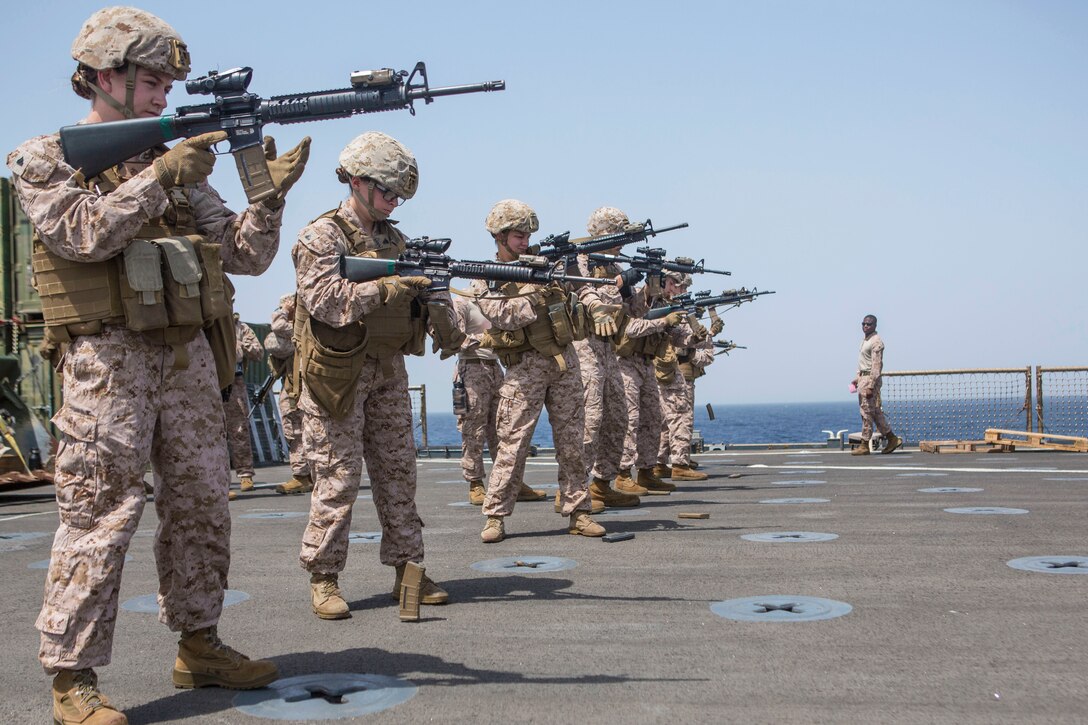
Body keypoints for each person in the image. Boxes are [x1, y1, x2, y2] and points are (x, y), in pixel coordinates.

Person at [6, 7, 309, 723]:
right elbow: (81, 233)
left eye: (168, 84)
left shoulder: (171, 162)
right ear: (104, 75)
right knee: (99, 509)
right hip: (107, 365)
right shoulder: (45, 156)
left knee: (203, 500)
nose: (163, 97)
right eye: (150, 81)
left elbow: (245, 254)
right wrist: (161, 174)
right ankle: (71, 677)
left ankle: (199, 641)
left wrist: (265, 196)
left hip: (186, 360)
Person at [292, 131, 462, 620]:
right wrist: (389, 287)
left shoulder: (395, 239)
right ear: (359, 182)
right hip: (336, 376)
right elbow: (326, 301)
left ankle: (407, 570)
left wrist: (436, 302)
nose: (394, 201)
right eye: (388, 192)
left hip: (387, 370)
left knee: (398, 475)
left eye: (400, 196)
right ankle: (324, 577)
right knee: (338, 478)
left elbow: (419, 302)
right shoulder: (321, 236)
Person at [474, 199, 605, 543]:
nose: (526, 241)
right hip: (524, 368)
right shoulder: (487, 276)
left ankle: (579, 511)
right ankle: (495, 516)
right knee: (512, 444)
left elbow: (582, 287)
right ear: (499, 237)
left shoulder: (546, 264)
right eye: (518, 235)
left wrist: (594, 302)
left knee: (573, 442)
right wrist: (538, 291)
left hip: (564, 362)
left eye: (529, 234)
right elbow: (505, 316)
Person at [567, 206, 664, 509]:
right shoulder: (578, 261)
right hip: (585, 349)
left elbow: (633, 311)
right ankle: (571, 491)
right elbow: (594, 299)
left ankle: (601, 484)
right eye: (619, 236)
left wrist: (648, 284)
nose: (622, 244)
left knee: (618, 420)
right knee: (590, 423)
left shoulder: (613, 267)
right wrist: (622, 281)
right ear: (605, 233)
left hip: (609, 351)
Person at [452, 295, 545, 506]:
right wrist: (486, 340)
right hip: (472, 366)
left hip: (496, 367)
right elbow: (455, 338)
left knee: (503, 427)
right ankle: (475, 483)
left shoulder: (497, 301)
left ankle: (509, 483)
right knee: (473, 428)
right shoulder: (462, 302)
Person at [653, 271, 714, 481]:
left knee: (663, 421)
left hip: (665, 370)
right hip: (670, 371)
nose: (681, 290)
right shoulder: (659, 307)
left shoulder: (665, 308)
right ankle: (679, 464)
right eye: (678, 286)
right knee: (680, 416)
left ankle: (659, 463)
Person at [263, 294, 314, 495]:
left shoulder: (299, 327)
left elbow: (276, 326)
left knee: (295, 429)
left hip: (297, 388)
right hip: (297, 385)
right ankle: (307, 474)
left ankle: (302, 475)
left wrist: (285, 310)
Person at [851, 315, 901, 455]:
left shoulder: (876, 341)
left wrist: (871, 385)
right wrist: (857, 378)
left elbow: (876, 365)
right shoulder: (865, 340)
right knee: (875, 412)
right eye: (864, 324)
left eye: (869, 324)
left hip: (869, 380)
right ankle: (892, 438)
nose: (865, 326)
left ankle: (864, 444)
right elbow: (863, 362)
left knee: (866, 412)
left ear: (875, 326)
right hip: (863, 378)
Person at [224, 313, 263, 496]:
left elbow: (258, 352)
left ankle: (245, 474)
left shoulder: (240, 327)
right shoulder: (206, 323)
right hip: (209, 382)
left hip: (234, 381)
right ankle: (218, 478)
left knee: (239, 430)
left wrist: (239, 346)